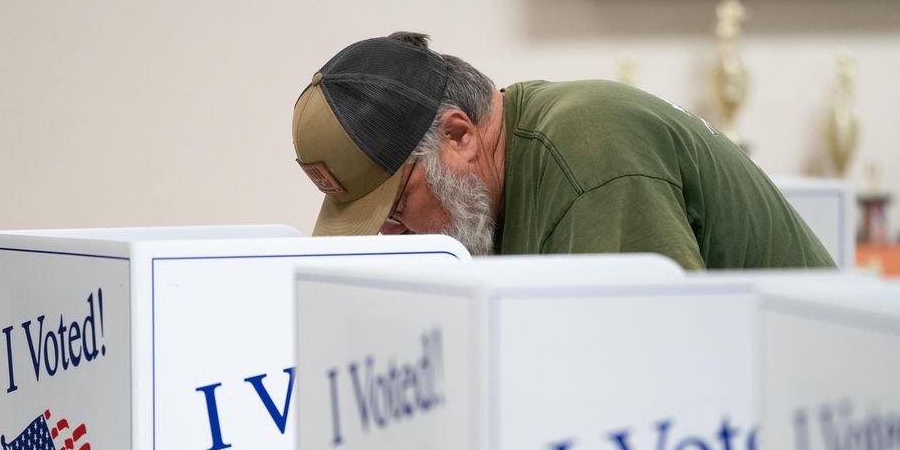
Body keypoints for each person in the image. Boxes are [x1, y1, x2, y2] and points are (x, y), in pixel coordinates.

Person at [291, 31, 835, 270]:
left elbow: (660, 379)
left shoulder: (590, 159)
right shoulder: (491, 189)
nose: (392, 235)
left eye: (393, 209)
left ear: (459, 136)